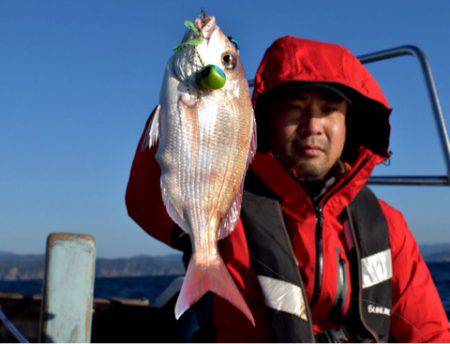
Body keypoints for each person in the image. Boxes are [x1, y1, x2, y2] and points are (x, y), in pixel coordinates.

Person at [126, 36, 450, 342]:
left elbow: (430, 332)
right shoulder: (228, 203)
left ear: (348, 123)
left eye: (329, 110)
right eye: (295, 108)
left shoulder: (388, 225)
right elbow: (147, 205)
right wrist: (184, 103)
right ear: (266, 119)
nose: (313, 126)